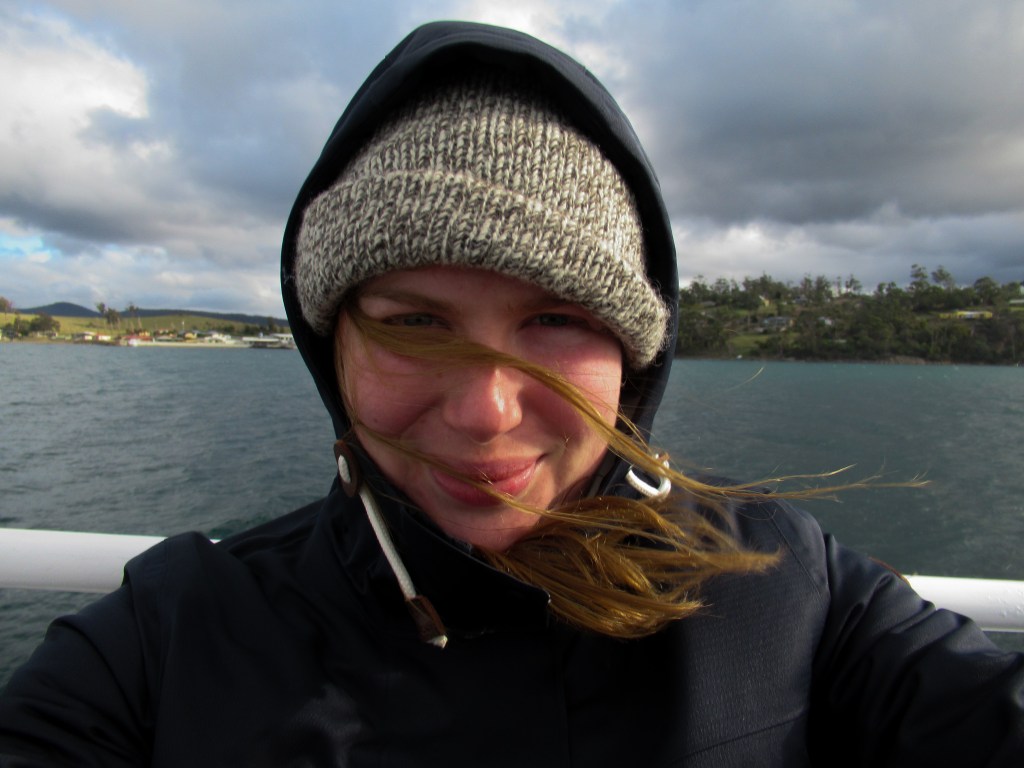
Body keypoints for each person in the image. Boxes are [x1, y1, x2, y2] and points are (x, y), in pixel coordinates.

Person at [1, 20, 1022, 767]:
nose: (488, 411)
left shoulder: (785, 586)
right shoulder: (169, 639)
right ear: (330, 347)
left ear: (633, 353)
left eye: (557, 321)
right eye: (414, 325)